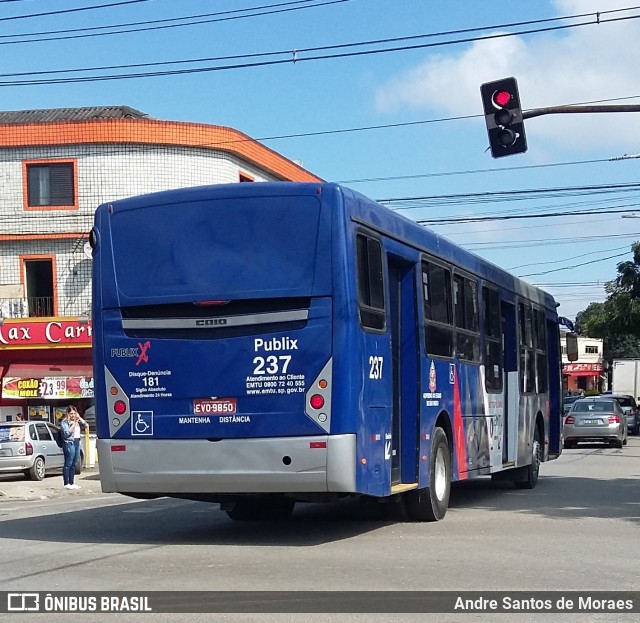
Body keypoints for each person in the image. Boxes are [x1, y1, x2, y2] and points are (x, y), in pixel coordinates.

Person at [60, 405, 86, 490]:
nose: (73, 415)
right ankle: (66, 483)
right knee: (68, 463)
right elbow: (66, 434)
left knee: (74, 463)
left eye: (74, 413)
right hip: (69, 443)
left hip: (77, 442)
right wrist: (74, 424)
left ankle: (72, 482)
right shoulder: (65, 422)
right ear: (67, 413)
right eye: (71, 413)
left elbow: (86, 425)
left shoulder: (77, 420)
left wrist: (79, 418)